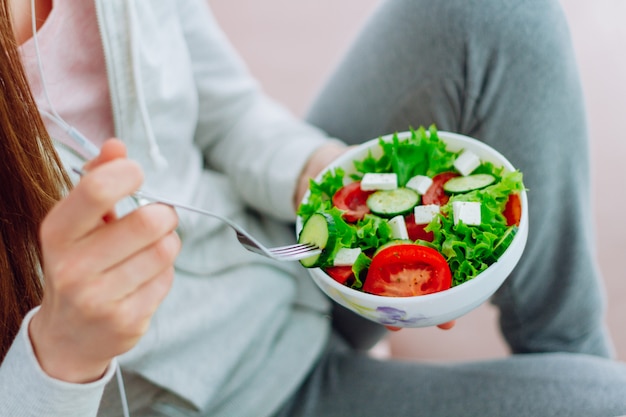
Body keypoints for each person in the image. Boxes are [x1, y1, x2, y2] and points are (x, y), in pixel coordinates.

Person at [0, 0, 625, 416]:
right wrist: (63, 356)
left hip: (285, 257)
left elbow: (227, 112)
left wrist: (322, 178)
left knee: (494, 14)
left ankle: (565, 347)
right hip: (239, 398)